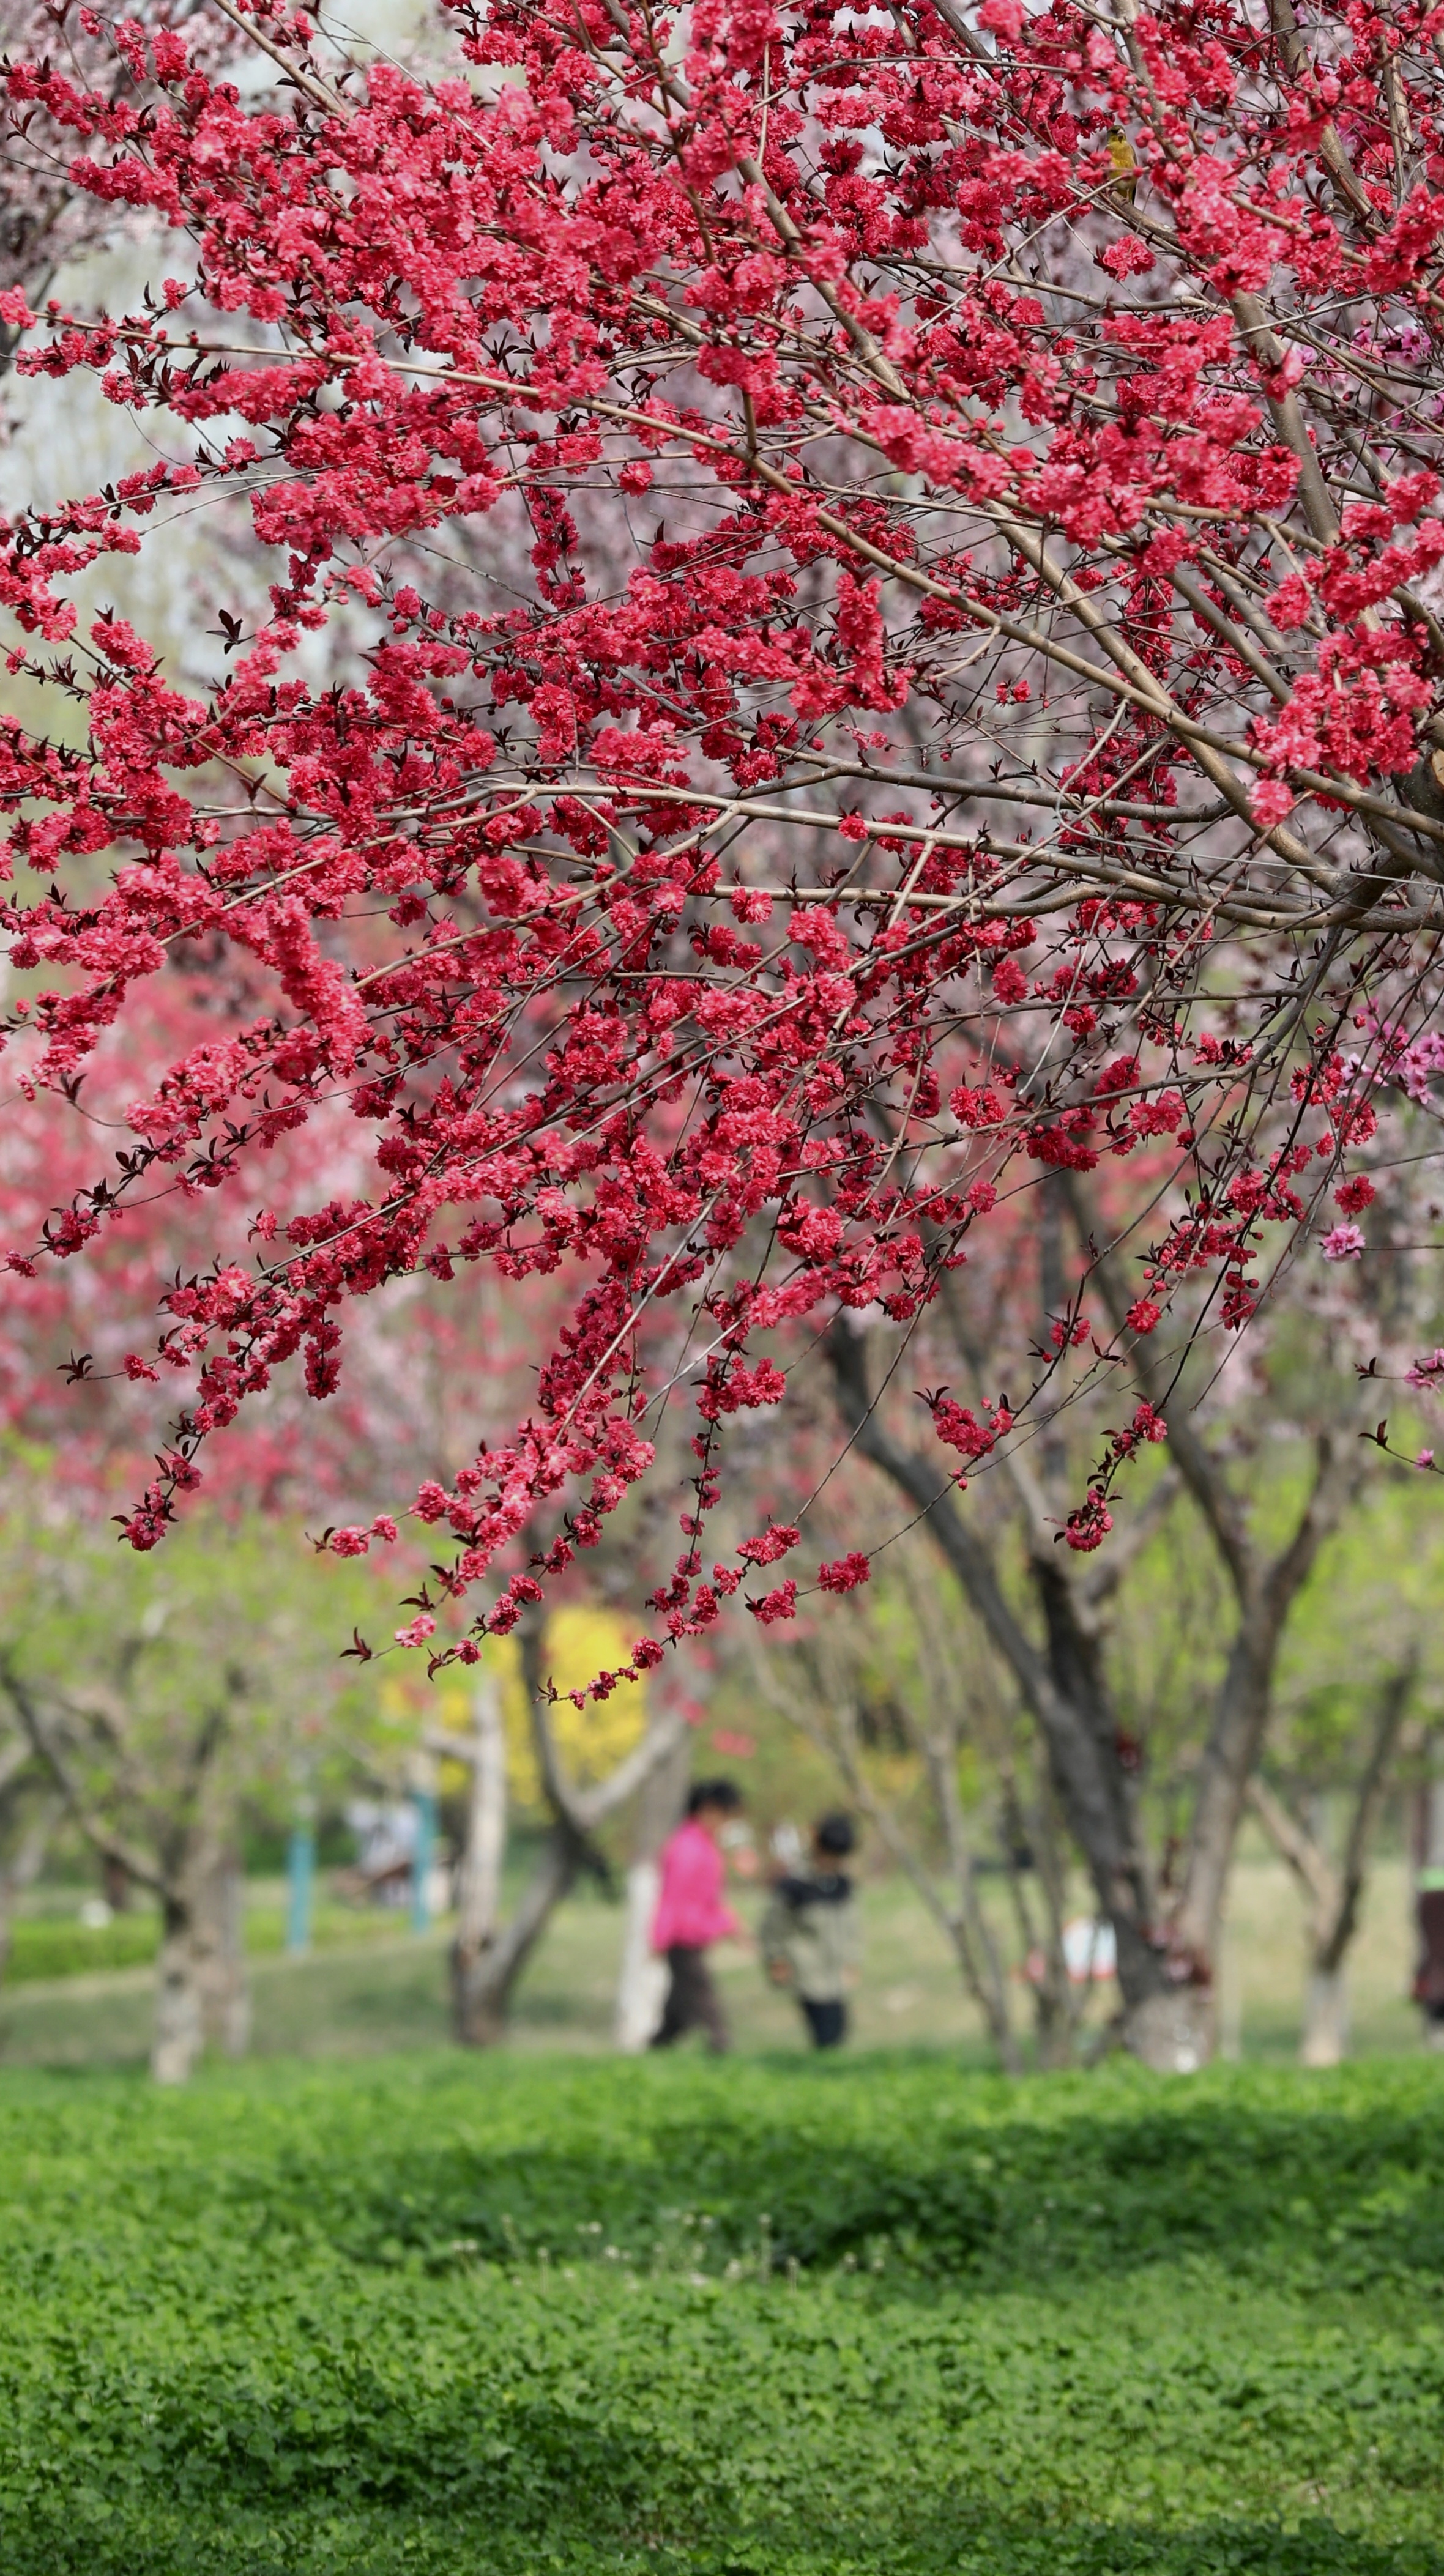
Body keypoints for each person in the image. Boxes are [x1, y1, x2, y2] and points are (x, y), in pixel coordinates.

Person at [649, 1779, 749, 2053]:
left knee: (680, 2007)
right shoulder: (686, 1848)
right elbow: (672, 1897)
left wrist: (733, 1927)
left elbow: (710, 1900)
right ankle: (721, 2045)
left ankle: (658, 2047)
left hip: (696, 1935)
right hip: (683, 1938)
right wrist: (660, 1936)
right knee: (703, 1996)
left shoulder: (705, 1846)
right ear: (708, 1810)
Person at [761, 1812, 860, 2049]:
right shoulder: (795, 1884)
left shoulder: (842, 1884)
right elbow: (773, 1927)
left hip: (834, 1973)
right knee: (826, 2034)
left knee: (839, 2030)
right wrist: (776, 1959)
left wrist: (853, 1960)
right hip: (807, 1971)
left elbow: (851, 1927)